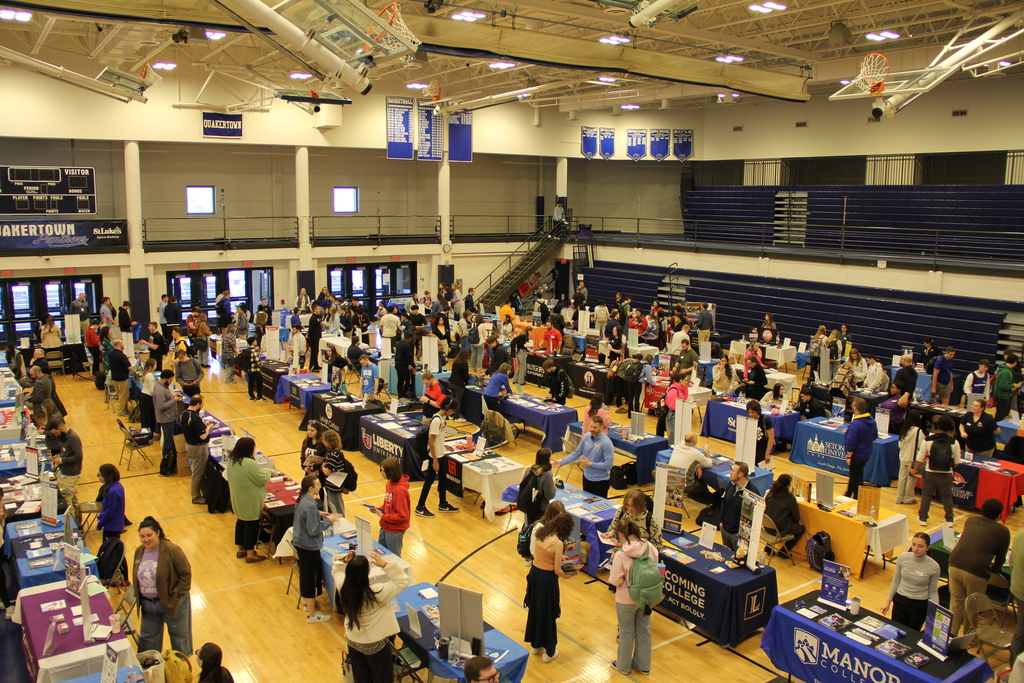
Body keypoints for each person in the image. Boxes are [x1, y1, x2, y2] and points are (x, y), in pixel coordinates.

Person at [334, 549, 411, 681]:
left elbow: (336, 571)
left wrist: (344, 561)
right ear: (367, 572)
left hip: (354, 641)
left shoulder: (343, 588)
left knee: (362, 676)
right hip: (376, 644)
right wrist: (386, 565)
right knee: (382, 678)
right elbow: (402, 580)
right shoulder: (376, 593)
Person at [947, 498, 1010, 635]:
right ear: (999, 515)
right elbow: (1000, 558)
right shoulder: (1003, 531)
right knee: (973, 606)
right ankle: (969, 637)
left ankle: (951, 634)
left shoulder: (971, 520)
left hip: (954, 564)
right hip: (976, 571)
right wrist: (994, 572)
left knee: (956, 603)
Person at [134, 516, 192, 656]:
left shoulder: (172, 550)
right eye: (142, 536)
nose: (146, 539)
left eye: (149, 535)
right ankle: (149, 671)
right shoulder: (139, 551)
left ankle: (181, 673)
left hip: (173, 605)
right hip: (149, 606)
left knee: (179, 640)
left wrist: (175, 595)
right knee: (148, 642)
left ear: (158, 533)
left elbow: (186, 574)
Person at [609, 518, 658, 676]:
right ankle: (644, 665)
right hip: (646, 598)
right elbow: (655, 567)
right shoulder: (649, 547)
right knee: (644, 630)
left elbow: (615, 580)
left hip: (626, 599)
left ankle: (623, 665)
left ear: (621, 535)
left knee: (626, 632)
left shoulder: (621, 555)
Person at [525, 512, 575, 663]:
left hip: (534, 574)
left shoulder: (542, 532)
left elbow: (545, 554)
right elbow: (557, 570)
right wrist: (568, 575)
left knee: (535, 610)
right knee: (548, 614)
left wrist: (561, 556)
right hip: (547, 581)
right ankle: (549, 651)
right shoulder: (558, 543)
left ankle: (535, 645)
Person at [293, 474, 343, 623]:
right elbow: (314, 530)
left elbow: (305, 516)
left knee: (306, 576)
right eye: (317, 484)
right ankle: (312, 615)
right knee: (309, 578)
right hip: (308, 546)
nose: (320, 486)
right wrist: (329, 520)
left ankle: (307, 604)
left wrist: (318, 513)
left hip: (301, 543)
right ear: (311, 488)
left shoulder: (303, 500)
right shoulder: (309, 505)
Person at [225, 437, 273, 563]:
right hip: (249, 500)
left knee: (240, 522)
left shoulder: (232, 460)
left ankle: (241, 549)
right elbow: (261, 478)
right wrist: (267, 471)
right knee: (251, 526)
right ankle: (251, 555)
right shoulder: (248, 463)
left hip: (238, 498)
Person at [881, 532, 940, 632]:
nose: (916, 549)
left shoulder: (934, 567)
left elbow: (933, 591)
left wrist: (933, 614)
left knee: (911, 634)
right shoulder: (903, 558)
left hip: (919, 606)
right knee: (896, 631)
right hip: (900, 601)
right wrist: (888, 602)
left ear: (927, 548)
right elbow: (896, 580)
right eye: (914, 545)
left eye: (920, 546)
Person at [913, 414, 961, 526]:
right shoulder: (954, 443)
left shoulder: (928, 440)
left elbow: (920, 458)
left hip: (930, 473)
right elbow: (957, 462)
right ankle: (950, 520)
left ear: (937, 426)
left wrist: (915, 469)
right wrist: (949, 468)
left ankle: (923, 519)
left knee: (926, 496)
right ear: (950, 428)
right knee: (947, 496)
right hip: (947, 474)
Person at [416, 398, 460, 517]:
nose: (452, 413)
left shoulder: (442, 418)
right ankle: (420, 506)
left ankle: (443, 503)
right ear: (447, 408)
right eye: (452, 410)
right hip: (434, 457)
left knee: (443, 480)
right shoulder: (436, 421)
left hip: (441, 454)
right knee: (429, 482)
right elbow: (431, 441)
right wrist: (435, 461)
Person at [554, 416, 614, 497]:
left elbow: (609, 465)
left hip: (600, 481)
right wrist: (561, 462)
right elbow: (576, 453)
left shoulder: (606, 443)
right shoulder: (586, 437)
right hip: (586, 478)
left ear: (601, 427)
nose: (592, 429)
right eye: (591, 426)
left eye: (595, 427)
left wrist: (591, 464)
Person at [369, 458, 411, 557]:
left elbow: (403, 516)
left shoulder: (400, 491)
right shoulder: (390, 483)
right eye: (381, 470)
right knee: (381, 555)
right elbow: (388, 505)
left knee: (394, 558)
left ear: (391, 471)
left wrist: (383, 516)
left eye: (384, 471)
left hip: (395, 530)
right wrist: (378, 509)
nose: (381, 473)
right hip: (385, 526)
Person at [48, 419, 83, 526]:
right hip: (64, 472)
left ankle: (72, 526)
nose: (56, 435)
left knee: (68, 502)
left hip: (71, 473)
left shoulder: (73, 438)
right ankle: (78, 522)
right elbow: (67, 452)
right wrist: (60, 457)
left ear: (61, 428)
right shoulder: (65, 438)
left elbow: (78, 456)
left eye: (56, 433)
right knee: (74, 500)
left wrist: (62, 460)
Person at [720, 462, 759, 551]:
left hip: (738, 535)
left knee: (739, 559)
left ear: (740, 474)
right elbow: (724, 502)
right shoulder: (731, 485)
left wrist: (742, 534)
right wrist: (721, 521)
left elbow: (753, 517)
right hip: (725, 529)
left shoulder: (752, 493)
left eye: (733, 471)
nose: (730, 473)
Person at [181, 394, 212, 505]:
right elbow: (203, 436)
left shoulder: (184, 414)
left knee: (199, 471)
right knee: (198, 473)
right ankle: (195, 497)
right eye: (202, 405)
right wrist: (208, 428)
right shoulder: (194, 417)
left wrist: (203, 425)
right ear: (198, 404)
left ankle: (205, 493)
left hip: (189, 445)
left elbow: (192, 428)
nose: (202, 407)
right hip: (198, 448)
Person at [763, 474, 805, 556]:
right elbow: (796, 518)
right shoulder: (789, 498)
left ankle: (769, 547)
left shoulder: (770, 493)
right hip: (779, 529)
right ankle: (784, 552)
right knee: (801, 529)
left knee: (775, 519)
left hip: (767, 526)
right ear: (788, 486)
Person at [154, 370, 182, 476]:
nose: (171, 382)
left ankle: (171, 465)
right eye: (170, 380)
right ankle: (165, 468)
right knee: (168, 444)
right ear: (165, 379)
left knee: (171, 442)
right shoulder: (160, 390)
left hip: (170, 418)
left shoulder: (163, 387)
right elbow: (161, 406)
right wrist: (174, 400)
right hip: (167, 420)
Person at [895, 410, 924, 505]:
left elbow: (900, 444)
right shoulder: (918, 432)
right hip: (913, 459)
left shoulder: (904, 429)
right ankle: (908, 498)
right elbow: (922, 446)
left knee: (902, 478)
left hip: (903, 457)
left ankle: (899, 498)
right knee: (911, 479)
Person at [320, 429, 351, 516]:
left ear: (329, 441)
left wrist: (323, 466)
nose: (323, 442)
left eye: (324, 440)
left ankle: (342, 524)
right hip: (329, 484)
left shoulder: (334, 454)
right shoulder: (329, 452)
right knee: (332, 507)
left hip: (335, 485)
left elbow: (327, 471)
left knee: (337, 508)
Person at [95, 463, 126, 541]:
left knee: (110, 550)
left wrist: (100, 524)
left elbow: (110, 511)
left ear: (106, 476)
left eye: (99, 475)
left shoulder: (113, 491)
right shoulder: (117, 485)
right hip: (114, 524)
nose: (98, 477)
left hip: (112, 526)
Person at [108, 339, 133, 418]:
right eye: (123, 344)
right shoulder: (121, 355)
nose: (124, 345)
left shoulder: (111, 354)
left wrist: (125, 358)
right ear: (119, 345)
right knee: (124, 395)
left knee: (120, 394)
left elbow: (118, 361)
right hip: (122, 378)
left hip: (114, 378)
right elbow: (129, 367)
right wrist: (135, 372)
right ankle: (121, 411)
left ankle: (125, 409)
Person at [746, 400, 775, 467]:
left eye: (753, 412)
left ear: (758, 411)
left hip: (763, 450)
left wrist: (767, 453)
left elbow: (771, 438)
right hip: (753, 450)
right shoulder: (749, 420)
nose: (751, 414)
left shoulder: (766, 421)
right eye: (749, 412)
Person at [662, 372, 689, 444]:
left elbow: (685, 398)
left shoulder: (680, 389)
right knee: (673, 436)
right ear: (680, 380)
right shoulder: (674, 390)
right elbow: (672, 406)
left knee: (678, 435)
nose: (687, 382)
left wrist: (685, 387)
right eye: (685, 380)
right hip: (672, 415)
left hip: (678, 413)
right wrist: (680, 407)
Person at [995, 354, 1021, 421]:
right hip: (1003, 396)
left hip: (1003, 395)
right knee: (1001, 415)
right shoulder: (1006, 372)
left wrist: (1011, 387)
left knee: (1003, 414)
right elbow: (1003, 385)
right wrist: (1013, 386)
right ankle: (996, 429)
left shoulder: (1004, 369)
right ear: (1015, 362)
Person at [239, 336, 265, 401]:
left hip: (249, 369)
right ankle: (259, 397)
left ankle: (252, 396)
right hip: (255, 369)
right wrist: (260, 365)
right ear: (253, 342)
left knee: (251, 382)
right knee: (259, 382)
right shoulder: (253, 350)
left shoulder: (247, 350)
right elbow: (257, 361)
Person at [448, 349, 470, 419]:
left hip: (451, 382)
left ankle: (451, 415)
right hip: (458, 385)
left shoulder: (455, 361)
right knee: (458, 402)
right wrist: (466, 383)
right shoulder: (464, 364)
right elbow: (465, 376)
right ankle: (457, 417)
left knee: (452, 400)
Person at [395, 332, 415, 399]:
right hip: (403, 366)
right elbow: (409, 357)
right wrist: (414, 366)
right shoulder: (406, 345)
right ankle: (402, 396)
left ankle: (399, 395)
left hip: (397, 364)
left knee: (400, 381)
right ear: (409, 339)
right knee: (407, 382)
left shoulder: (399, 343)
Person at [307, 304, 324, 372]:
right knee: (314, 352)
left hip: (317, 336)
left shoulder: (317, 317)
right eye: (318, 309)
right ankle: (312, 366)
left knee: (316, 352)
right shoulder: (313, 318)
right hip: (314, 337)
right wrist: (308, 334)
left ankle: (316, 365)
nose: (319, 310)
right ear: (315, 310)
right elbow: (311, 328)